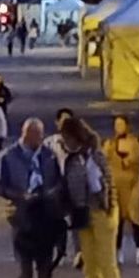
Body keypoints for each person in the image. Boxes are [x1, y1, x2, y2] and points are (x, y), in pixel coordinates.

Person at [0, 118, 64, 278]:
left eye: (42, 135)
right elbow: (1, 188)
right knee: (24, 270)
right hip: (22, 218)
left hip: (45, 217)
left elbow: (58, 182)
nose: (41, 140)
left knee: (46, 269)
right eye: (38, 136)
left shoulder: (49, 156)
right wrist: (19, 196)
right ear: (27, 135)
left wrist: (52, 194)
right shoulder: (9, 156)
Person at [60, 115, 123, 278]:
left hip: (100, 210)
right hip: (81, 213)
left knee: (107, 261)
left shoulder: (96, 155)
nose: (64, 142)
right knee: (90, 263)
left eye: (66, 137)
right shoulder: (70, 160)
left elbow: (109, 181)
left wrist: (110, 208)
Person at [106, 114, 139, 266]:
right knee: (118, 220)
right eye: (116, 125)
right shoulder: (110, 144)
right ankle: (117, 251)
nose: (119, 128)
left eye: (121, 124)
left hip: (133, 184)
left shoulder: (135, 142)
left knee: (135, 215)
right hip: (116, 186)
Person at [51, 108, 80, 269]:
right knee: (58, 221)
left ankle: (79, 252)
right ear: (57, 123)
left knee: (77, 219)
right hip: (57, 185)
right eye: (62, 121)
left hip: (75, 184)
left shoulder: (80, 142)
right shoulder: (51, 143)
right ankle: (60, 251)